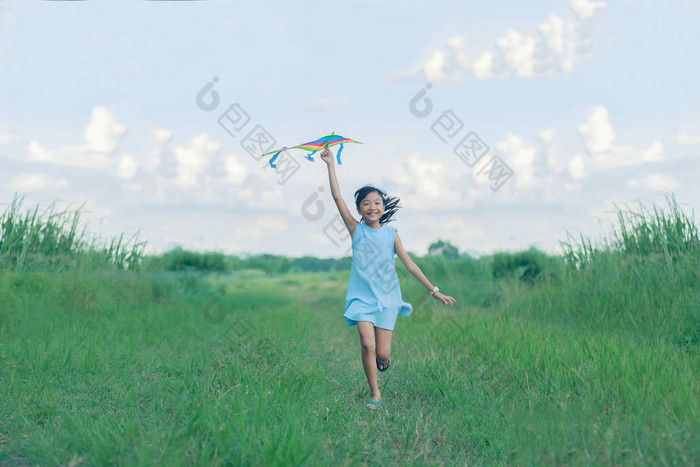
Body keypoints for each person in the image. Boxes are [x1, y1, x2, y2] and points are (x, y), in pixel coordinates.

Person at [320, 147, 457, 410]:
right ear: (359, 209)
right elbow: (337, 198)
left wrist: (434, 291)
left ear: (383, 208)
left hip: (387, 299)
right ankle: (375, 394)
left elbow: (411, 266)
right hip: (361, 298)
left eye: (377, 203)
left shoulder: (391, 235)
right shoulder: (355, 229)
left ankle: (383, 361)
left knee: (382, 353)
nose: (372, 207)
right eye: (366, 204)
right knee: (367, 344)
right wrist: (330, 165)